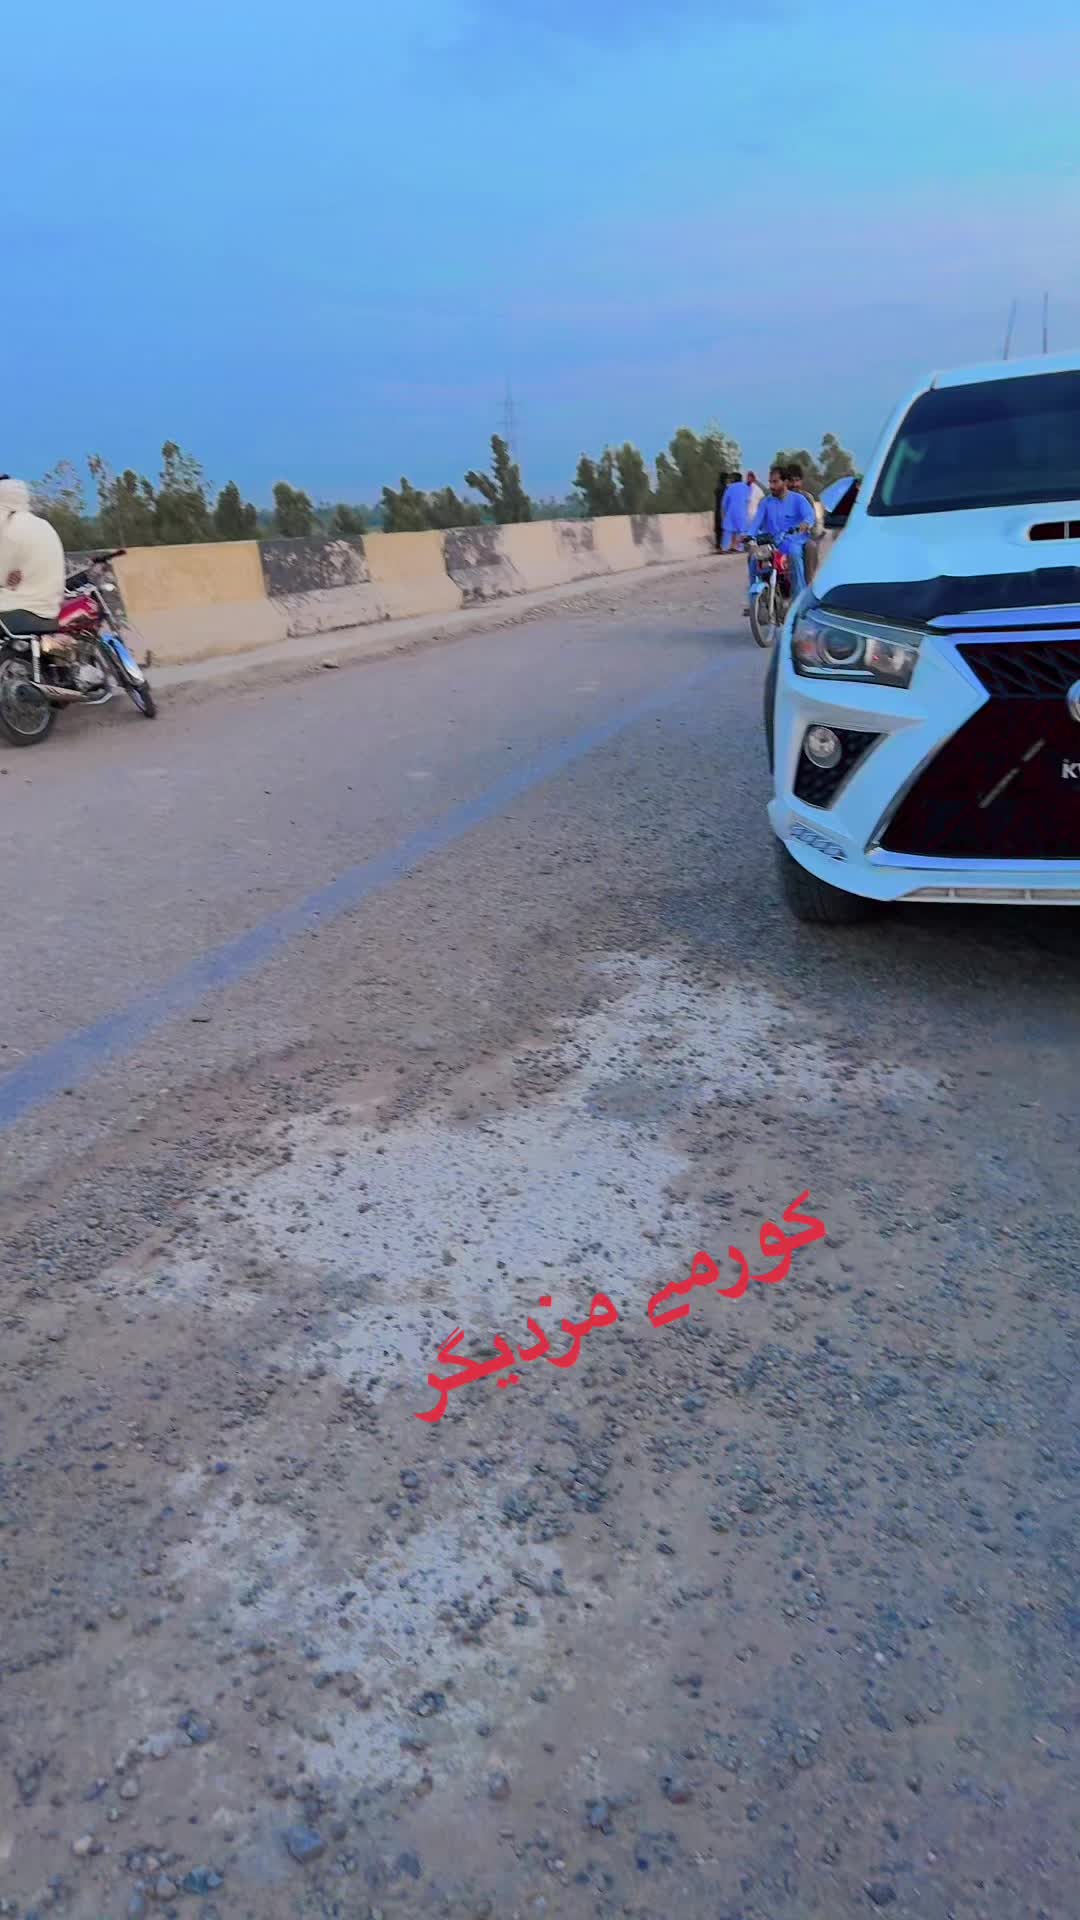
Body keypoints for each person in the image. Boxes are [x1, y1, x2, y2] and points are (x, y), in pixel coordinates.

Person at [0, 477, 66, 638]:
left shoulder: (7, 528)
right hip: (49, 615)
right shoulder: (44, 525)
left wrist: (8, 580)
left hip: (17, 613)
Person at [745, 465, 815, 608]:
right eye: (770, 482)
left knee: (795, 555)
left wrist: (805, 523)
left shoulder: (799, 499)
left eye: (775, 482)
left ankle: (799, 600)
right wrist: (749, 536)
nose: (771, 486)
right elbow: (756, 523)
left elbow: (809, 516)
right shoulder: (766, 502)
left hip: (793, 541)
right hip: (772, 543)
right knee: (753, 558)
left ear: (785, 482)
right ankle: (755, 601)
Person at [719, 471, 752, 552]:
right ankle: (739, 548)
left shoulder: (729, 488)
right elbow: (748, 501)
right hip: (742, 514)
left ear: (733, 479)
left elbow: (724, 503)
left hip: (731, 513)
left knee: (728, 531)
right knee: (741, 531)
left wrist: (723, 515)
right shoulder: (746, 487)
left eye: (731, 478)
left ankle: (725, 548)